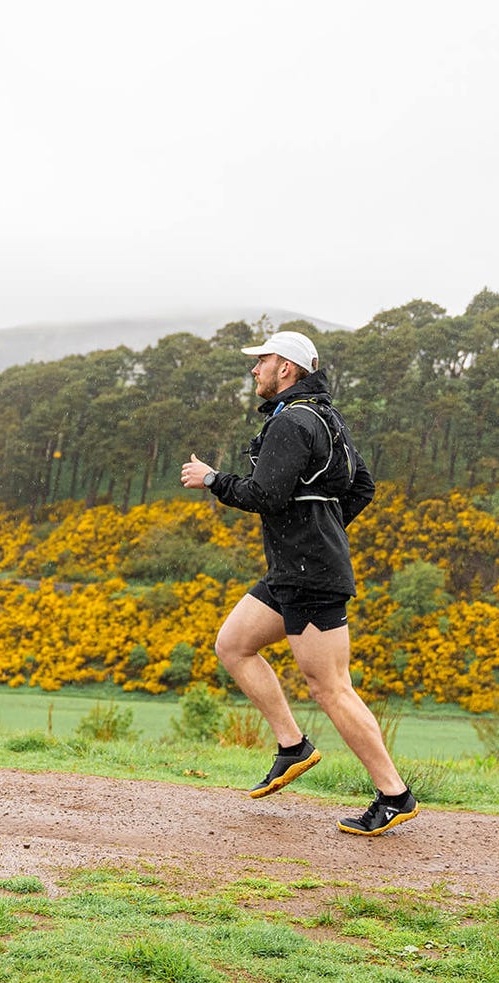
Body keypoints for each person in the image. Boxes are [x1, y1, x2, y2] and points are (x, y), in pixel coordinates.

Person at [180, 330, 419, 836]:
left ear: (286, 367)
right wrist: (321, 531)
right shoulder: (324, 416)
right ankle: (293, 746)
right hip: (295, 570)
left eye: (261, 361)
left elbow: (264, 494)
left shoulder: (292, 421)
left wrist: (212, 479)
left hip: (310, 576)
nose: (255, 370)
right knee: (234, 644)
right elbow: (363, 487)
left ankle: (394, 795)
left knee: (330, 688)